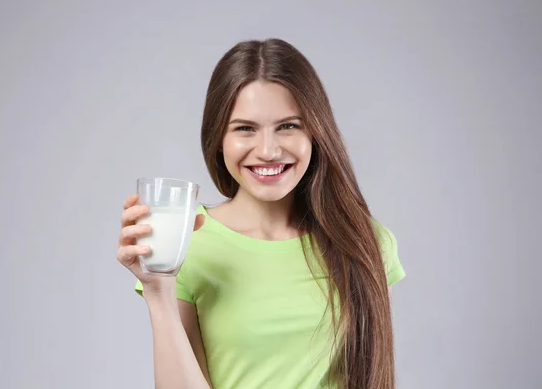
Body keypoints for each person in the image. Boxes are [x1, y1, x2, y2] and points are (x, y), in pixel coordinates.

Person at [117, 38, 406, 389]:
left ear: (316, 133)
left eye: (288, 126)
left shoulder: (366, 243)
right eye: (245, 129)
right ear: (218, 138)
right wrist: (157, 291)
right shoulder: (188, 244)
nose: (268, 150)